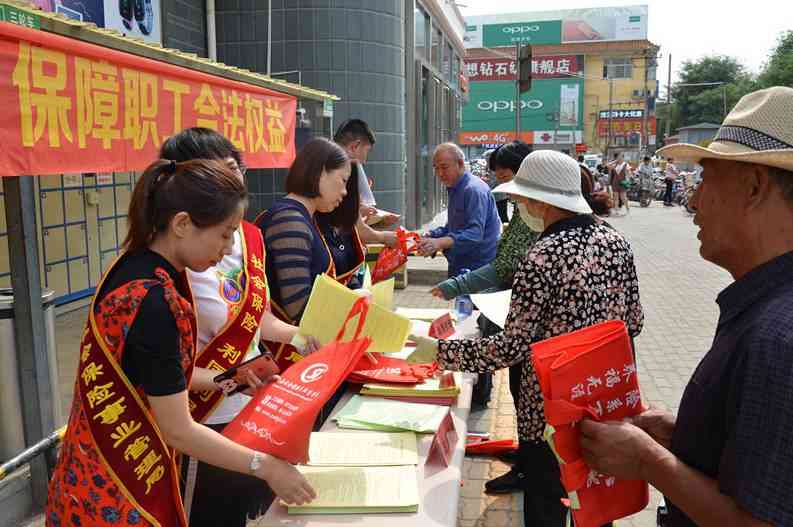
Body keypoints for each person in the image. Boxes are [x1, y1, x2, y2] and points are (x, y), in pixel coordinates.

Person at [46, 159, 315, 527]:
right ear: (182, 223)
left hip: (87, 475)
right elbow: (178, 429)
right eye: (224, 233)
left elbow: (159, 376)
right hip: (120, 493)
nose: (227, 248)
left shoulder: (130, 268)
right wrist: (265, 466)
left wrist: (231, 379)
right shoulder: (155, 302)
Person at [580, 87, 793, 526]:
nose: (692, 203)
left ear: (753, 188)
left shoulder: (778, 336)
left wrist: (648, 461)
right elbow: (756, 459)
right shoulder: (763, 307)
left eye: (706, 181)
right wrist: (680, 438)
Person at [409, 150, 644, 526]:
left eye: (520, 199)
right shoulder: (616, 242)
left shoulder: (542, 255)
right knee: (596, 506)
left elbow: (511, 347)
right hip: (602, 399)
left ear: (540, 201)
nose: (518, 206)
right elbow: (633, 322)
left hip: (549, 411)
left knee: (547, 503)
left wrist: (440, 352)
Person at [157, 128, 318, 527]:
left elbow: (256, 317)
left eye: (237, 169)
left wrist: (299, 336)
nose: (235, 182)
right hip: (201, 417)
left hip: (253, 405)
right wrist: (231, 379)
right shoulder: (167, 268)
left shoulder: (248, 238)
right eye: (222, 174)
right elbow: (168, 377)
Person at [429, 140, 537, 493]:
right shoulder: (526, 210)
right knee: (520, 386)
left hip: (499, 295)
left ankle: (532, 468)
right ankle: (528, 455)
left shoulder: (533, 218)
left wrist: (456, 281)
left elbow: (497, 258)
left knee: (485, 343)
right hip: (485, 284)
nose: (505, 191)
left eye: (509, 181)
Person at [254, 138, 363, 373]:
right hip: (286, 355)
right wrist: (354, 302)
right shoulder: (290, 220)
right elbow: (298, 307)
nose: (345, 192)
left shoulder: (302, 217)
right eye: (343, 181)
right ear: (320, 172)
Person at [417, 143, 501, 278]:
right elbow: (453, 227)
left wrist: (439, 242)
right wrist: (430, 235)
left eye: (444, 167)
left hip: (478, 268)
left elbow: (474, 234)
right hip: (462, 264)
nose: (439, 174)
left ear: (460, 164)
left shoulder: (473, 190)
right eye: (436, 168)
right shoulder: (456, 188)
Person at [333, 118, 398, 247]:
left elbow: (344, 219)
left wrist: (360, 212)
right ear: (355, 146)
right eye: (367, 151)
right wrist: (384, 237)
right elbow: (357, 228)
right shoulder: (342, 169)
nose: (364, 161)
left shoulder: (330, 165)